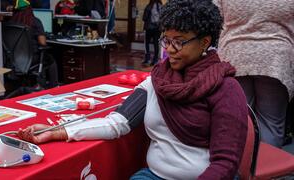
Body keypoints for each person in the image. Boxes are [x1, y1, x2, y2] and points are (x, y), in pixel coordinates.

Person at [18, 0, 248, 179]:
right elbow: (117, 122)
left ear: (205, 42)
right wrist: (58, 131)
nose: (170, 49)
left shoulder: (226, 89)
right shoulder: (157, 80)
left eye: (179, 41)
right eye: (166, 40)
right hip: (154, 176)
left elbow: (225, 163)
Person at [213, 0, 294, 148]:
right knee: (271, 124)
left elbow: (214, 16)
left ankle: (240, 167)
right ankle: (268, 167)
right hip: (276, 59)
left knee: (239, 121)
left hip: (235, 57)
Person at [9, 0, 59, 88]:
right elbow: (42, 43)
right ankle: (54, 86)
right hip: (31, 58)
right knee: (51, 60)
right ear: (30, 9)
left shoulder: (10, 23)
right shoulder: (35, 21)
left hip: (13, 59)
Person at [142, 0, 162, 66]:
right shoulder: (161, 6)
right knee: (156, 44)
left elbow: (144, 18)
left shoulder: (149, 6)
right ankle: (155, 59)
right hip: (157, 29)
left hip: (149, 28)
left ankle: (147, 59)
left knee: (146, 44)